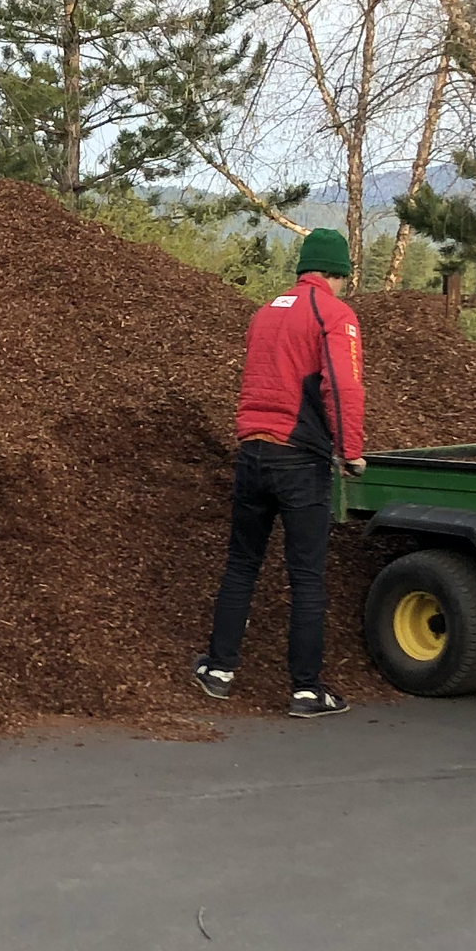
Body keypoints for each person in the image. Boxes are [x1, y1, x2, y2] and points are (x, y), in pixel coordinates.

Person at [194, 227, 367, 717]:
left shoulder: (265, 312)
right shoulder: (335, 314)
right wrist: (350, 450)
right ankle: (307, 689)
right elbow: (342, 386)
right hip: (299, 459)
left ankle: (220, 669)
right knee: (307, 575)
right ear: (339, 273)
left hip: (252, 452)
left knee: (242, 564)